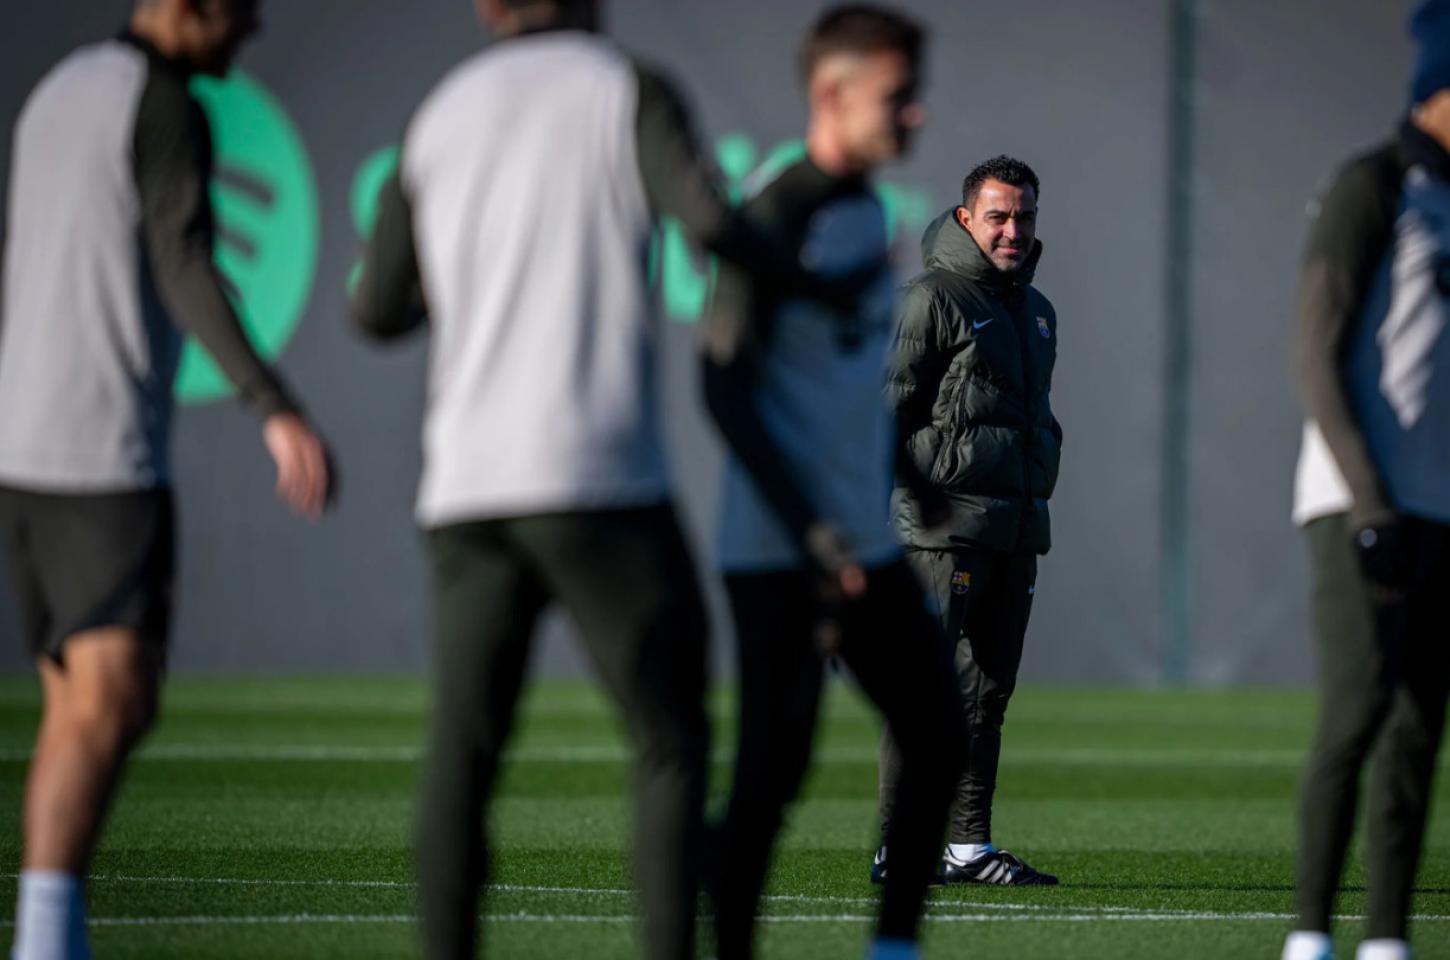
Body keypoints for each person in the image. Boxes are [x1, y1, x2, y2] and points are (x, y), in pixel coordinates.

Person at [350, 1, 867, 957]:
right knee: (669, 741)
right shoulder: (624, 87)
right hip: (597, 482)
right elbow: (709, 222)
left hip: (465, 489)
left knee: (463, 755)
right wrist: (813, 283)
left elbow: (377, 309)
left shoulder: (442, 109)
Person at [0, 1, 333, 957]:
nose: (252, 28)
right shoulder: (160, 103)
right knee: (111, 704)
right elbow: (184, 259)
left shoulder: (58, 90)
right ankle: (45, 940)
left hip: (25, 454)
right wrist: (271, 403)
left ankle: (50, 932)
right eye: (238, 9)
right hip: (96, 453)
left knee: (80, 707)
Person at [698, 8, 966, 959]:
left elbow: (848, 383)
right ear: (831, 95)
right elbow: (720, 385)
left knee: (936, 728)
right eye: (898, 95)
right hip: (781, 550)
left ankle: (893, 948)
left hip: (868, 540)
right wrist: (809, 531)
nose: (915, 114)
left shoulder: (869, 212)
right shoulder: (776, 214)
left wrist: (907, 477)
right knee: (775, 771)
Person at [1283, 2, 1450, 958]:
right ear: (1428, 92)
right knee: (1355, 718)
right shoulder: (1372, 188)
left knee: (1418, 739)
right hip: (1362, 506)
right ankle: (1310, 937)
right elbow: (1314, 352)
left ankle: (1387, 942)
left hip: (1448, 518)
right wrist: (1371, 499)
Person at [879, 154, 1063, 886]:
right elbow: (882, 415)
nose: (1013, 230)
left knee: (987, 694)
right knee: (923, 693)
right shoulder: (931, 298)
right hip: (939, 534)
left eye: (1023, 216)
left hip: (1013, 533)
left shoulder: (1037, 310)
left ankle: (966, 847)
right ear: (965, 218)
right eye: (998, 216)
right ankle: (899, 846)